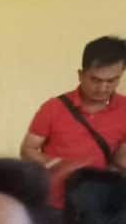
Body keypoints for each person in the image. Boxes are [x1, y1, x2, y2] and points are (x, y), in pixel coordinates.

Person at [20, 36, 126, 210]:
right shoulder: (53, 107)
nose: (103, 88)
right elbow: (27, 150)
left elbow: (121, 159)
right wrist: (57, 163)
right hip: (53, 203)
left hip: (97, 205)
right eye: (95, 80)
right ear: (81, 75)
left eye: (112, 81)